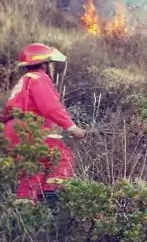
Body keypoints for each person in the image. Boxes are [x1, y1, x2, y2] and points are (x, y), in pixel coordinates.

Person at [3, 43, 86, 203]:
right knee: (63, 157)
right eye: (50, 63)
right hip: (30, 128)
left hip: (12, 129)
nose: (51, 67)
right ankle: (51, 194)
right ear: (43, 64)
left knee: (32, 170)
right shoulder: (39, 78)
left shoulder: (25, 80)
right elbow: (50, 107)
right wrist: (72, 128)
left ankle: (25, 209)